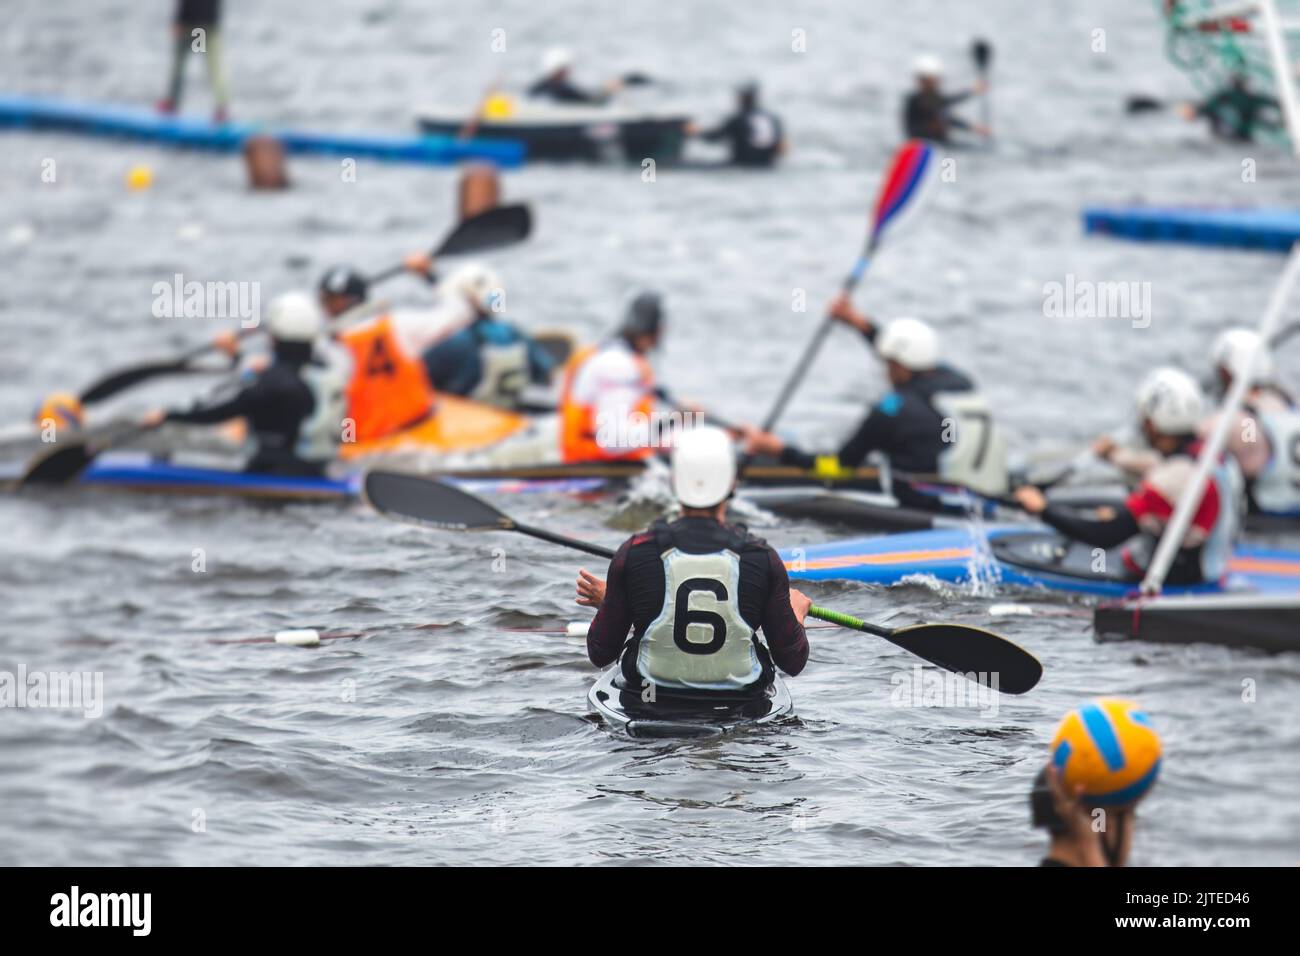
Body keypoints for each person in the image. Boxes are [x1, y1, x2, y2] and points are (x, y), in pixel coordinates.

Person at [576, 426, 811, 695]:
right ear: (732, 485)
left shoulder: (634, 553)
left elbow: (600, 653)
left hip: (652, 700)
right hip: (740, 707)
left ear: (675, 484)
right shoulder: (762, 558)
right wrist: (796, 614)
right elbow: (792, 662)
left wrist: (615, 603)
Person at [742, 294, 1009, 496]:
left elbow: (838, 469)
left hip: (933, 504)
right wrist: (860, 323)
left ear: (896, 365)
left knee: (845, 463)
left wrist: (781, 450)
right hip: (980, 490)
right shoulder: (958, 381)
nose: (884, 370)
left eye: (887, 364)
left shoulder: (891, 410)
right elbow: (905, 355)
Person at [1015, 368, 1240, 586]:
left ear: (1152, 424)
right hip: (1212, 566)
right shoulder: (1213, 453)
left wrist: (1043, 510)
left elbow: (1105, 536)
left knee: (1108, 517)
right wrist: (1114, 456)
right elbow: (1161, 466)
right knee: (1118, 504)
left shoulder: (1171, 479)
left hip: (1178, 578)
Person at [141, 293, 347, 476]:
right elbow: (348, 427)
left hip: (274, 471)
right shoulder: (330, 373)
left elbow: (219, 410)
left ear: (273, 338)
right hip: (321, 469)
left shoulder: (271, 382)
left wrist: (168, 416)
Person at [421, 264, 557, 409]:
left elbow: (414, 382)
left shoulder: (454, 343)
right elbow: (546, 375)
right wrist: (428, 275)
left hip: (465, 424)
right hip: (507, 417)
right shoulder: (514, 334)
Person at [558, 291, 665, 462]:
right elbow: (610, 440)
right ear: (655, 332)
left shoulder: (612, 355)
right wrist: (671, 424)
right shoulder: (617, 366)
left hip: (601, 463)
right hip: (595, 466)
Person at [158, 0, 230, 122]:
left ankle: (172, 103)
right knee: (214, 68)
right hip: (208, 23)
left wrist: (179, 20)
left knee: (179, 67)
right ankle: (221, 108)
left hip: (191, 25)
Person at [685, 83, 786, 168]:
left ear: (740, 100)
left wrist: (695, 132)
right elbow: (782, 148)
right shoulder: (772, 119)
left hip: (743, 165)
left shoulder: (738, 119)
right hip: (769, 165)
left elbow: (714, 138)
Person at [901, 53, 989, 143]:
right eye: (931, 80)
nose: (935, 83)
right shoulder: (915, 100)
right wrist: (972, 91)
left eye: (935, 79)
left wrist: (973, 128)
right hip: (920, 143)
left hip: (940, 143)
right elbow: (943, 102)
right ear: (922, 81)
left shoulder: (936, 100)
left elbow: (948, 117)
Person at [1178, 73, 1281, 144]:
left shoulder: (1220, 98)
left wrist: (1192, 112)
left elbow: (1200, 111)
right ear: (1245, 83)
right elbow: (1274, 105)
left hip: (1220, 141)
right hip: (1244, 142)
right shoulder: (1251, 99)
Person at [527, 48, 621, 105]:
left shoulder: (538, 87)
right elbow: (594, 103)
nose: (569, 72)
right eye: (567, 68)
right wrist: (608, 92)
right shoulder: (563, 89)